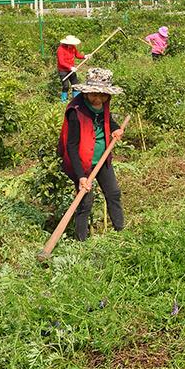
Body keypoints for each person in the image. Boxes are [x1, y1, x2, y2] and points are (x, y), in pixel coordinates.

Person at [58, 68, 125, 241]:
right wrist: (81, 176)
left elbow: (108, 119)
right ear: (87, 93)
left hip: (102, 159)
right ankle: (82, 241)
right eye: (94, 94)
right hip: (81, 163)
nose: (98, 99)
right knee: (85, 202)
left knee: (113, 193)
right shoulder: (76, 111)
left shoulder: (103, 104)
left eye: (102, 95)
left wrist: (116, 129)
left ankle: (122, 232)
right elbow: (71, 146)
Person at [56, 35, 85, 103]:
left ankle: (76, 100)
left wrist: (85, 56)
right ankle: (63, 101)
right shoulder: (60, 49)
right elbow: (61, 62)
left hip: (71, 69)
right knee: (66, 86)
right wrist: (70, 67)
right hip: (63, 70)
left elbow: (77, 55)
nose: (73, 45)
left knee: (75, 84)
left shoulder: (73, 47)